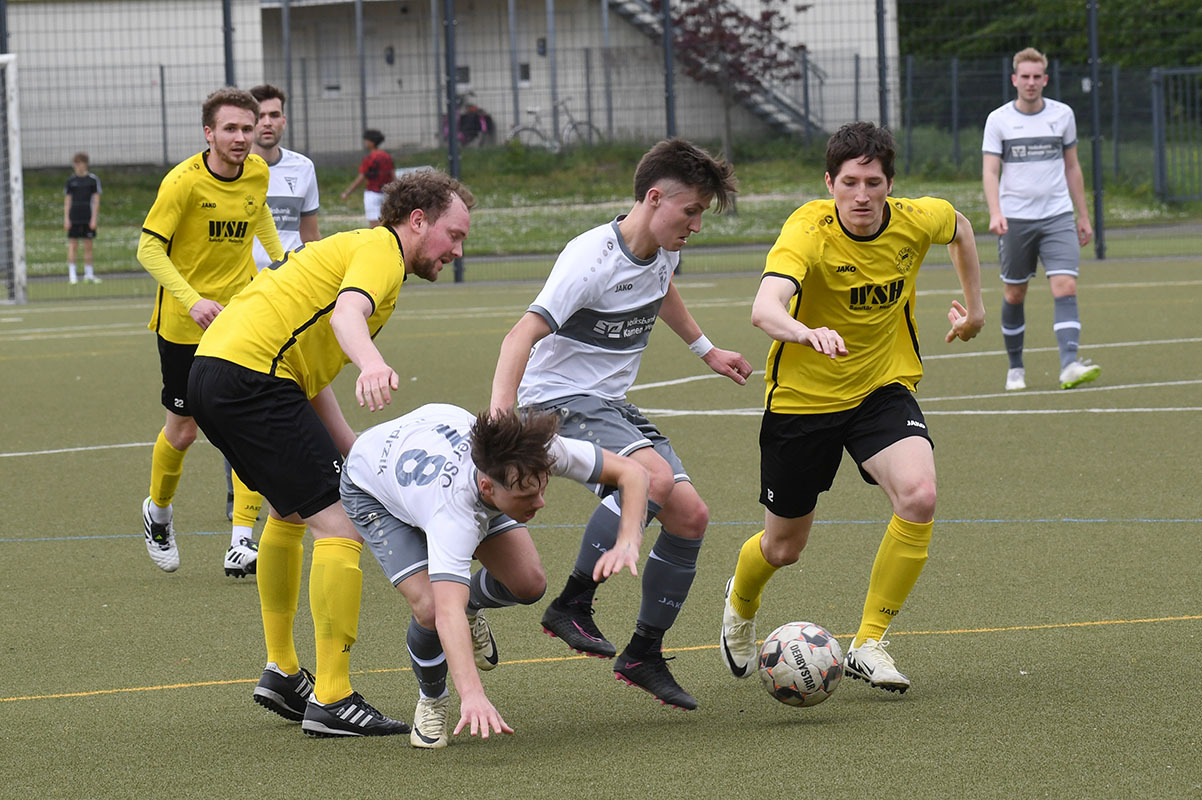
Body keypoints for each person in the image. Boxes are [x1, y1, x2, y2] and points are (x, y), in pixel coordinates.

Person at [187, 170, 474, 738]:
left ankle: (283, 671)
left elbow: (310, 371)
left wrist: (359, 452)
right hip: (253, 378)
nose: (458, 250)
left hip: (215, 374)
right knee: (340, 526)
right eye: (454, 234)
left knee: (288, 514)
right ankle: (333, 698)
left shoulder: (353, 253)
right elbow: (346, 318)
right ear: (417, 221)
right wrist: (372, 363)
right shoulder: (381, 250)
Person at [719, 121, 986, 694]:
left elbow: (961, 228)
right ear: (829, 183)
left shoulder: (917, 219)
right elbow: (764, 308)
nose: (861, 195)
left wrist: (976, 310)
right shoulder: (807, 231)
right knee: (784, 548)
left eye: (872, 182)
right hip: (802, 402)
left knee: (920, 495)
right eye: (848, 183)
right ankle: (741, 604)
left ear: (890, 184)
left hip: (879, 389)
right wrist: (803, 331)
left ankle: (869, 643)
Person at [489, 138, 751, 711]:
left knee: (690, 514)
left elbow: (661, 292)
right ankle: (571, 605)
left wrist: (706, 350)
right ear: (654, 199)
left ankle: (643, 653)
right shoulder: (590, 258)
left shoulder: (662, 248)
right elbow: (520, 335)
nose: (697, 226)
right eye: (691, 212)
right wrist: (503, 423)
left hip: (609, 404)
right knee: (652, 481)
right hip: (557, 401)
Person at [342, 404, 650, 748]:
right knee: (430, 608)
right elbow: (446, 612)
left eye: (542, 488)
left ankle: (472, 606)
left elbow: (633, 473)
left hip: (427, 442)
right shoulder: (453, 514)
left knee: (528, 583)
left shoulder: (534, 452)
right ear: (488, 488)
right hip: (373, 488)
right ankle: (432, 699)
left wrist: (628, 539)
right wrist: (472, 695)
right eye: (527, 496)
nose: (541, 502)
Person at [136, 87, 283, 576]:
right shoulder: (182, 183)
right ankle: (157, 512)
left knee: (244, 424)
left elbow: (257, 209)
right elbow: (149, 250)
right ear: (209, 133)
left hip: (239, 318)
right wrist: (192, 300)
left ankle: (242, 538)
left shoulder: (258, 172)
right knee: (182, 432)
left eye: (248, 127)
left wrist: (279, 262)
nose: (242, 137)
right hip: (183, 323)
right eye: (231, 129)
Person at [213, 83, 324, 557]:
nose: (266, 123)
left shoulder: (303, 170)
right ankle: (243, 500)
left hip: (289, 299)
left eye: (274, 115)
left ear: (282, 119)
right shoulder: (232, 174)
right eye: (258, 116)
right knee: (240, 400)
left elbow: (311, 237)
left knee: (290, 393)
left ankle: (283, 491)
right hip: (240, 298)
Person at [983, 47, 1100, 392]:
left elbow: (1072, 166)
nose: (1031, 83)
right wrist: (995, 211)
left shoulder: (1063, 115)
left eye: (1037, 77)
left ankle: (1069, 366)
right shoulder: (999, 120)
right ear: (1014, 79)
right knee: (1015, 293)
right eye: (1025, 77)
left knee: (1065, 285)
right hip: (1015, 219)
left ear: (1045, 80)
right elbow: (991, 170)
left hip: (1057, 215)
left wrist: (1083, 214)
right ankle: (1016, 368)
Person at [340, 129, 395, 227]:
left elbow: (361, 178)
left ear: (371, 142)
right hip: (386, 193)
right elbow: (392, 175)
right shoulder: (387, 157)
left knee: (374, 224)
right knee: (387, 222)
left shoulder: (369, 158)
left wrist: (347, 192)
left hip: (372, 193)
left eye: (366, 141)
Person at [64, 152, 101, 284]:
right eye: (76, 163)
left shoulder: (92, 180)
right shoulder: (71, 181)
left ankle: (89, 274)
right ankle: (72, 275)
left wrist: (94, 219)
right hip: (74, 217)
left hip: (87, 217)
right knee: (73, 246)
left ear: (85, 164)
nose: (78, 166)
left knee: (88, 246)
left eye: (80, 163)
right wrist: (67, 219)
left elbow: (96, 201)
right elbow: (67, 201)